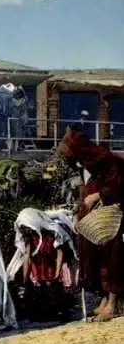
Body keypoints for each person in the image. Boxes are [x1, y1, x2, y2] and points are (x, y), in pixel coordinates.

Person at [57, 123, 124, 321]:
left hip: (109, 216)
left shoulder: (106, 160)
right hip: (92, 219)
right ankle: (104, 300)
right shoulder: (84, 164)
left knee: (111, 258)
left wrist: (98, 195)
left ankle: (114, 303)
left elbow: (118, 184)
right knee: (94, 258)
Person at [11, 87, 29, 152]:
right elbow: (24, 113)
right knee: (21, 134)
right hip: (20, 121)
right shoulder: (23, 102)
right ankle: (19, 147)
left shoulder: (12, 101)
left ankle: (13, 148)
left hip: (14, 120)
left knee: (13, 134)